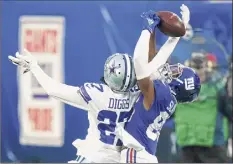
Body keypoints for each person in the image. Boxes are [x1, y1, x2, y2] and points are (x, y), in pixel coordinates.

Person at [8, 50, 140, 163]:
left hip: (93, 156)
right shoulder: (138, 94)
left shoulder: (97, 94)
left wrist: (34, 67)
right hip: (122, 158)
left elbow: (53, 90)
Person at [116, 4, 201, 163]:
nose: (172, 69)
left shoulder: (160, 92)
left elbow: (140, 64)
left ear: (179, 84)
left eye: (177, 73)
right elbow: (154, 58)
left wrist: (146, 30)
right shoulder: (167, 97)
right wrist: (164, 33)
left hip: (136, 155)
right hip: (145, 156)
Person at [174, 52, 230, 162]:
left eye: (200, 66)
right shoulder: (178, 91)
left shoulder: (218, 90)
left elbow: (230, 112)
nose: (198, 71)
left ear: (207, 68)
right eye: (194, 67)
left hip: (213, 149)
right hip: (187, 150)